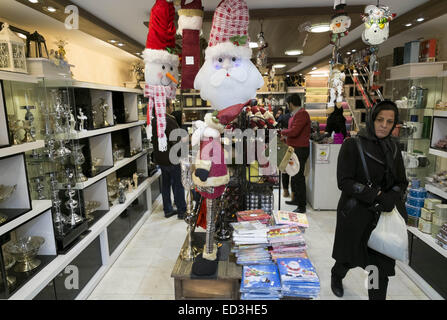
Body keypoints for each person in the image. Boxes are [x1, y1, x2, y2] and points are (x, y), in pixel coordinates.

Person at [330, 100, 408, 300]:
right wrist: (378, 195)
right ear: (372, 119)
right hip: (356, 214)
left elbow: (401, 180)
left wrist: (392, 196)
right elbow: (344, 181)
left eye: (389, 122)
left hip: (381, 218)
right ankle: (337, 275)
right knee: (347, 258)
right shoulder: (353, 145)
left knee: (378, 268)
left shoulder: (393, 148)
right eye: (380, 119)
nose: (384, 125)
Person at [152, 99, 187, 219]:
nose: (172, 107)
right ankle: (182, 211)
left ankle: (167, 209)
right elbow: (176, 140)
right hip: (172, 158)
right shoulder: (169, 120)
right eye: (171, 105)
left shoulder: (155, 120)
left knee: (165, 185)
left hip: (161, 159)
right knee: (178, 185)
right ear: (165, 107)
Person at [279, 94, 310, 213]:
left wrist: (282, 132)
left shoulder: (302, 114)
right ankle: (296, 199)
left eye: (288, 104)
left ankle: (302, 206)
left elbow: (295, 131)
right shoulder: (296, 114)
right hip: (294, 148)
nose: (287, 106)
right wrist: (285, 138)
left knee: (299, 177)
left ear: (291, 103)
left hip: (300, 149)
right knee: (295, 176)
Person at [277, 106, 292, 198]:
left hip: (284, 143)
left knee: (284, 168)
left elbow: (277, 122)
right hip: (294, 143)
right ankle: (294, 193)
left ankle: (285, 191)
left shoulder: (282, 117)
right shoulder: (295, 117)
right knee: (294, 167)